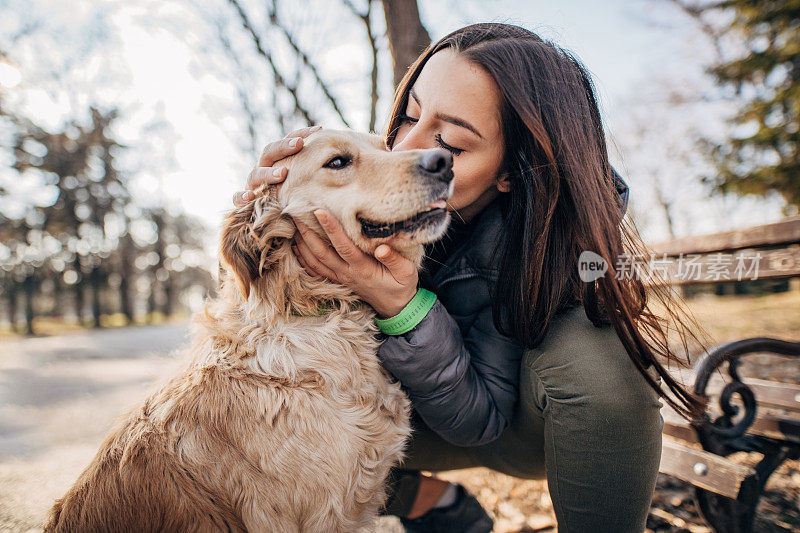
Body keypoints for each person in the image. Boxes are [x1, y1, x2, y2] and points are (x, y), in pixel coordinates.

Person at [234, 23, 706, 533]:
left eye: (451, 144)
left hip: (508, 420)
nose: (406, 151)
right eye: (410, 115)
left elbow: (478, 416)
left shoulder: (542, 245)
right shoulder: (388, 176)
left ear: (512, 171)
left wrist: (403, 309)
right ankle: (425, 500)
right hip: (362, 407)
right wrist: (273, 203)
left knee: (598, 356)